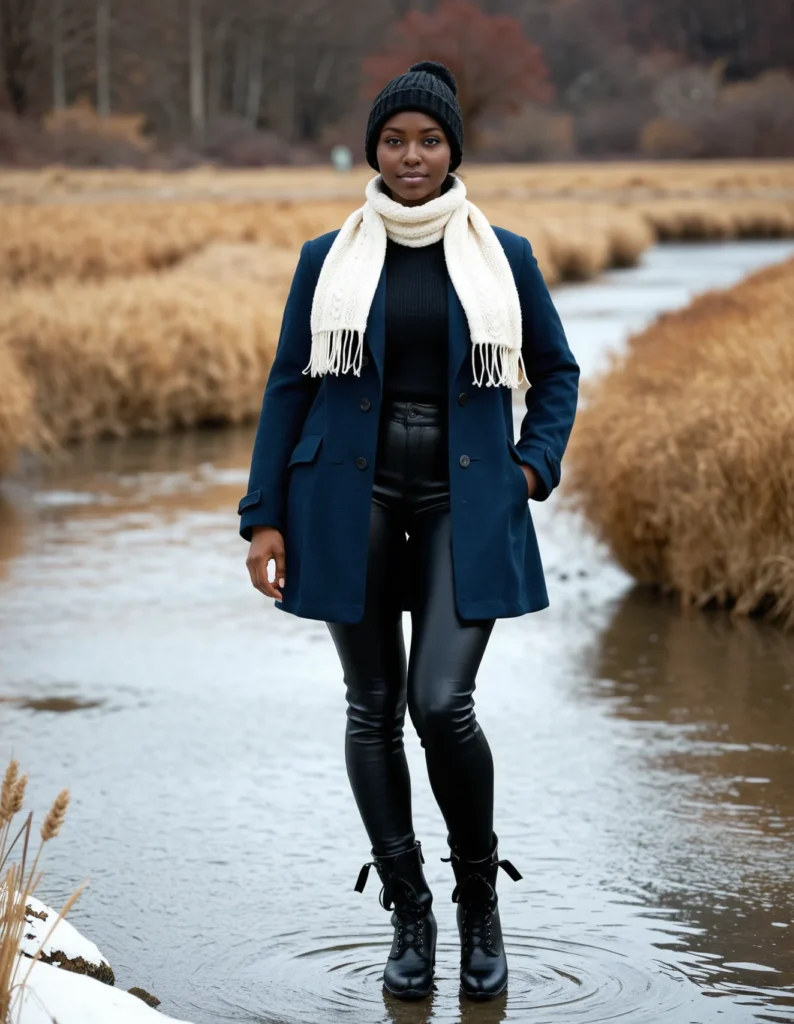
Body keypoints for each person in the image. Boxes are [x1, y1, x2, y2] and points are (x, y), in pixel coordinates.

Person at [238, 60, 579, 1002]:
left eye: (429, 140)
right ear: (373, 151)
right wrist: (262, 516)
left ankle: (478, 898)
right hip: (346, 503)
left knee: (441, 703)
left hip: (465, 505)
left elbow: (556, 373)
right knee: (370, 705)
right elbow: (289, 387)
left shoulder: (502, 255)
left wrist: (530, 466)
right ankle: (410, 907)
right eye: (396, 140)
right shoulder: (328, 258)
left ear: (453, 149)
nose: (412, 156)